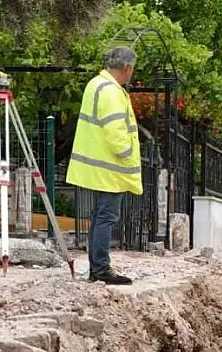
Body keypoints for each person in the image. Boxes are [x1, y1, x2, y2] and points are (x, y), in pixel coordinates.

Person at [67, 46, 142, 285]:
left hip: (99, 165)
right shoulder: (111, 91)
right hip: (110, 167)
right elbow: (115, 131)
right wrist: (128, 153)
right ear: (127, 68)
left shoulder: (95, 84)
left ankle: (97, 267)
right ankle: (100, 268)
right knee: (106, 217)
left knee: (100, 217)